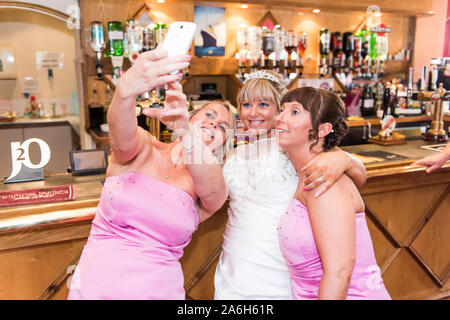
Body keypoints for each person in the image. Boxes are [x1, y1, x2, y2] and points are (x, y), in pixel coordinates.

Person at [68, 48, 236, 300]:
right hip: (96, 288)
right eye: (209, 115)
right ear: (192, 115)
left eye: (223, 127)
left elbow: (212, 191)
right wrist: (125, 90)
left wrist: (186, 131)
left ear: (223, 144)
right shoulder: (145, 146)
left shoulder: (213, 184)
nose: (214, 123)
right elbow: (119, 134)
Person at [214, 71, 367, 300]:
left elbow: (359, 173)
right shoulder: (234, 154)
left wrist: (344, 159)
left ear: (279, 111)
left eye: (263, 104)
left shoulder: (293, 147)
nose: (253, 113)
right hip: (235, 263)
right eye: (246, 104)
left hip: (279, 264)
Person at [276, 87, 390, 299]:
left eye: (294, 112)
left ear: (322, 130)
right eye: (282, 110)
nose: (279, 118)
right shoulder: (310, 171)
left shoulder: (325, 183)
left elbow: (339, 273)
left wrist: (346, 159)